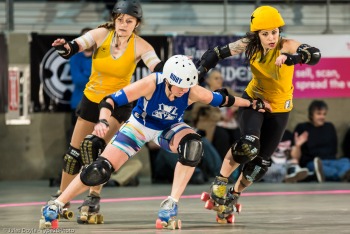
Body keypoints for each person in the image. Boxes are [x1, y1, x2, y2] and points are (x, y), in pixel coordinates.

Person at [40, 55, 271, 229]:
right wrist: (102, 120)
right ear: (169, 80)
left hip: (167, 129)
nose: (183, 92)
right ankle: (57, 204)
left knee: (193, 147)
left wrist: (253, 104)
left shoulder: (191, 91)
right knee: (99, 170)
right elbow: (110, 100)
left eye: (187, 88)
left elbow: (223, 99)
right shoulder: (151, 83)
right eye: (179, 87)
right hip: (139, 127)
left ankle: (171, 203)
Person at [196, 5, 321, 221]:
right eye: (265, 34)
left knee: (260, 165)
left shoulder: (286, 45)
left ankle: (233, 196)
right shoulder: (248, 45)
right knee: (248, 146)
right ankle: (220, 181)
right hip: (255, 101)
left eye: (274, 32)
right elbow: (215, 54)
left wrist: (292, 59)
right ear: (257, 35)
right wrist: (199, 72)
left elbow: (314, 54)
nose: (272, 37)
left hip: (281, 109)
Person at [49, 0, 164, 222]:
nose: (123, 24)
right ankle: (61, 198)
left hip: (117, 103)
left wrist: (176, 68)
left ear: (136, 23)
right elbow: (77, 46)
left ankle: (92, 199)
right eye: (120, 19)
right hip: (91, 99)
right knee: (73, 155)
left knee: (96, 150)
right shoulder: (102, 34)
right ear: (114, 19)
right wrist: (65, 47)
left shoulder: (141, 46)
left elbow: (157, 68)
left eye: (129, 21)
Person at [291, 100, 350, 182]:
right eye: (319, 114)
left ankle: (333, 176)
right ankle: (342, 176)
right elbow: (295, 157)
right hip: (313, 162)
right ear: (311, 115)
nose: (322, 117)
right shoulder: (302, 128)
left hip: (332, 161)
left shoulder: (329, 127)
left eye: (324, 114)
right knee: (317, 167)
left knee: (346, 161)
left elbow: (334, 149)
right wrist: (298, 145)